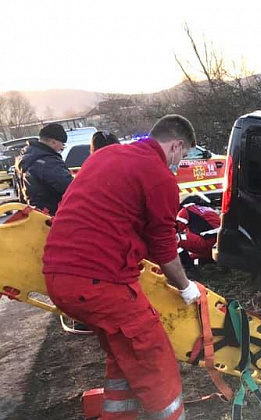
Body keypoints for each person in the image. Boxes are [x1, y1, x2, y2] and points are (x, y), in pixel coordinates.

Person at [43, 115, 201, 420]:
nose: (180, 162)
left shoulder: (105, 155)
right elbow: (164, 248)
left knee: (124, 354)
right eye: (182, 155)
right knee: (154, 355)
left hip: (58, 274)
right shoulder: (158, 176)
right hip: (97, 280)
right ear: (176, 145)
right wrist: (185, 287)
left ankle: (118, 415)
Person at [15, 123, 73, 215]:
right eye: (62, 144)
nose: (62, 148)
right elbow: (70, 187)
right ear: (53, 142)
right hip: (53, 216)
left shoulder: (25, 158)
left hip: (34, 213)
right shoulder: (49, 162)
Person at [176, 197, 220, 267]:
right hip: (217, 244)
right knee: (192, 255)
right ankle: (204, 261)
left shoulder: (186, 209)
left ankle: (187, 266)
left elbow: (177, 228)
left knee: (174, 238)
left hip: (205, 242)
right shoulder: (207, 209)